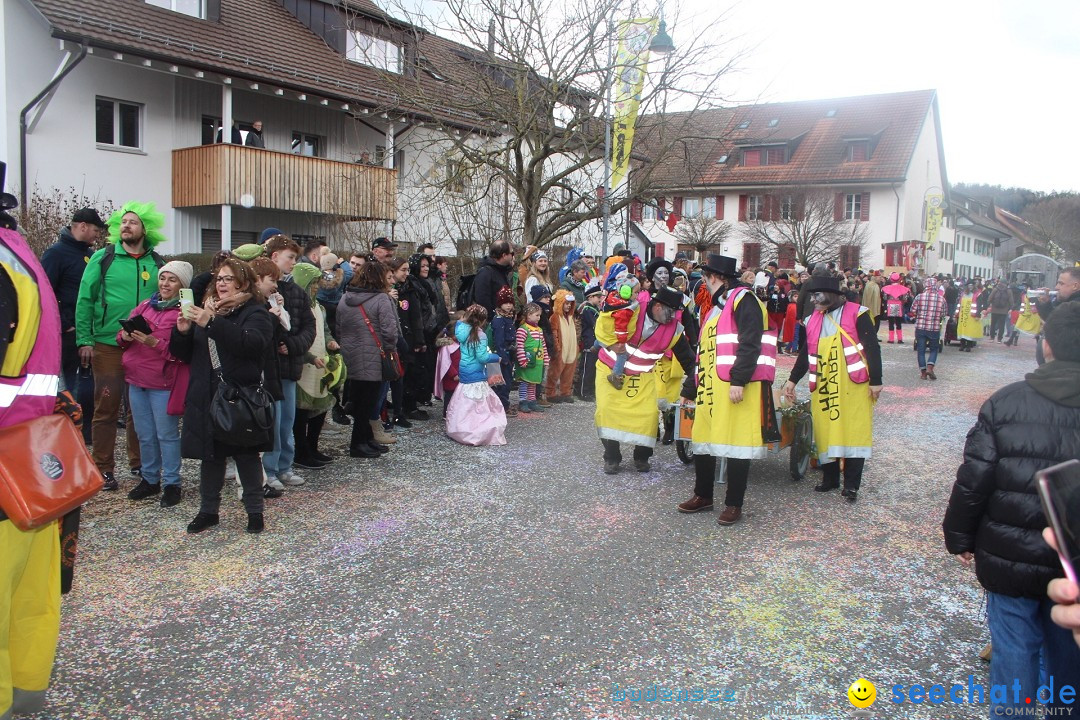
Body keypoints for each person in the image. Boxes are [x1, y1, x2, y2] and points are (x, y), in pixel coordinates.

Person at [943, 302, 1080, 717]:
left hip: (1009, 551)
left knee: (1013, 648)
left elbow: (974, 478)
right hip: (1071, 559)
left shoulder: (1005, 403)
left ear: (1048, 344)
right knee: (1068, 648)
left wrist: (959, 536)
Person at [0, 180, 66, 719]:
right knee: (29, 599)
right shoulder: (21, 258)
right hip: (30, 461)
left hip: (6, 459)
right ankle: (25, 693)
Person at [171, 258, 275, 535]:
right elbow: (186, 355)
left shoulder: (256, 312)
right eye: (219, 278)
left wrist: (212, 323)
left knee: (246, 456)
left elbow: (251, 345)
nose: (222, 283)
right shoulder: (206, 310)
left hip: (239, 397)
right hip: (206, 396)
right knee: (211, 457)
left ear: (243, 282)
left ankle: (255, 512)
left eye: (229, 279)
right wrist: (182, 333)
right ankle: (208, 511)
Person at [677, 255, 776, 525]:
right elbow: (704, 353)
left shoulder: (744, 300)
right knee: (703, 441)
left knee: (736, 444)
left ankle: (734, 504)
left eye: (706, 279)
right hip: (711, 388)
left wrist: (739, 381)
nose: (704, 285)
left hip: (734, 387)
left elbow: (751, 342)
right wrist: (690, 388)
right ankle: (703, 495)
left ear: (715, 278)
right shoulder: (716, 308)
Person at [76, 202, 168, 491]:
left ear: (145, 229)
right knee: (106, 407)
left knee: (137, 410)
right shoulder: (103, 258)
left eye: (134, 222)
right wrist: (85, 339)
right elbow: (85, 300)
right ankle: (103, 467)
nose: (126, 226)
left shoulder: (158, 263)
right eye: (123, 222)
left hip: (143, 347)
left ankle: (139, 463)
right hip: (107, 345)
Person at [782, 275, 882, 502]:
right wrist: (792, 380)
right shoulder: (812, 319)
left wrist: (876, 379)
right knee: (826, 431)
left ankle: (851, 485)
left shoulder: (858, 313)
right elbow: (806, 353)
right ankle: (830, 479)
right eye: (812, 296)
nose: (813, 300)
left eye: (817, 295)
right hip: (825, 383)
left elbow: (872, 347)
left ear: (834, 295)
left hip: (853, 384)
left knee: (853, 432)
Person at [596, 286, 694, 474]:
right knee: (606, 412)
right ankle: (612, 457)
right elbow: (602, 327)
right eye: (670, 311)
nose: (673, 316)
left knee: (649, 416)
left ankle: (641, 456)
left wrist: (693, 382)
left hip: (642, 377)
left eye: (676, 312)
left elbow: (688, 360)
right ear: (657, 306)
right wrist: (610, 343)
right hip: (609, 370)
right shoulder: (631, 309)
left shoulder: (674, 330)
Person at [118, 261, 193, 507]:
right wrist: (125, 335)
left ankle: (172, 482)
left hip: (162, 382)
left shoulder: (184, 311)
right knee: (144, 434)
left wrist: (155, 344)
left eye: (172, 280)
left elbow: (185, 352)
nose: (165, 284)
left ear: (182, 284)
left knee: (166, 435)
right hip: (136, 380)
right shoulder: (144, 306)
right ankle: (150, 479)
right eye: (163, 278)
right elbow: (120, 338)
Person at [40, 207, 106, 444]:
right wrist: (65, 323)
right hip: (66, 334)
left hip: (87, 331)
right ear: (82, 226)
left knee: (88, 383)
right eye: (96, 230)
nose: (97, 236)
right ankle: (65, 433)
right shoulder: (55, 254)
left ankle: (84, 433)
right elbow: (45, 292)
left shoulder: (90, 255)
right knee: (69, 384)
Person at [261, 234, 316, 487]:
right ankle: (268, 471)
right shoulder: (258, 291)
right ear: (274, 257)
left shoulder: (296, 292)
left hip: (289, 366)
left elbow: (308, 326)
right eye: (290, 257)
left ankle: (285, 466)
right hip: (267, 368)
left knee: (286, 421)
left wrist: (292, 345)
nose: (294, 262)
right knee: (271, 420)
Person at [338, 260, 399, 458]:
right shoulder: (381, 299)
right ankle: (359, 443)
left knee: (359, 399)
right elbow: (390, 331)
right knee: (369, 401)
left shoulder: (345, 298)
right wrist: (390, 349)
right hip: (374, 354)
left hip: (351, 354)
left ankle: (366, 439)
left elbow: (339, 326)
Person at [290, 262, 342, 470]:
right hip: (305, 364)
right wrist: (307, 356)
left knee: (320, 408)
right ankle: (300, 451)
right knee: (301, 412)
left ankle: (313, 446)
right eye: (312, 283)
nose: (316, 287)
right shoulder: (297, 308)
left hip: (321, 363)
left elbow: (325, 329)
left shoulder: (319, 307)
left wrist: (330, 341)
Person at [446, 305, 506, 446]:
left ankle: (460, 428)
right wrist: (496, 357)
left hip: (464, 371)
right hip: (476, 373)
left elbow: (461, 321)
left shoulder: (460, 329)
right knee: (479, 404)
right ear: (482, 321)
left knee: (464, 402)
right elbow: (482, 357)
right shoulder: (480, 335)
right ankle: (479, 430)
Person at [546, 289, 580, 403]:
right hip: (561, 350)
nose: (568, 306)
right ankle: (550, 393)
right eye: (566, 303)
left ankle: (565, 392)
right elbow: (554, 333)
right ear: (560, 303)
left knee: (568, 373)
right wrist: (556, 347)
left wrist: (576, 347)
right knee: (554, 372)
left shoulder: (570, 317)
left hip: (571, 349)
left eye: (570, 304)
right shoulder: (555, 317)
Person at [910, 277, 948, 380]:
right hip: (934, 328)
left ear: (925, 285)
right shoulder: (941, 299)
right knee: (934, 349)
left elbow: (912, 310)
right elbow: (944, 314)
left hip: (920, 327)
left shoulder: (919, 297)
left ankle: (923, 373)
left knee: (921, 350)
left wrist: (919, 314)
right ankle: (930, 368)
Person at [515, 303, 548, 413]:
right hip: (527, 360)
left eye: (539, 315)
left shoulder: (539, 330)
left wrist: (546, 359)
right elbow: (519, 346)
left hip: (537, 361)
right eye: (537, 315)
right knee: (524, 381)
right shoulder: (523, 330)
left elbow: (543, 346)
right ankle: (523, 401)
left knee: (533, 382)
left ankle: (532, 401)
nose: (539, 318)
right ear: (528, 315)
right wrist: (522, 359)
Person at [489, 287, 518, 415]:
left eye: (510, 303)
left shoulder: (508, 318)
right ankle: (502, 406)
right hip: (502, 355)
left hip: (509, 352)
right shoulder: (499, 319)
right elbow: (498, 340)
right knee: (502, 382)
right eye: (505, 303)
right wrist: (503, 357)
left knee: (507, 380)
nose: (508, 305)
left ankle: (503, 404)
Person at [474, 241, 515, 318]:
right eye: (512, 253)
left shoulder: (502, 271)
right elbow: (482, 300)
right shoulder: (485, 272)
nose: (513, 256)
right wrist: (493, 318)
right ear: (504, 255)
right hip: (491, 323)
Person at [576, 283, 602, 401]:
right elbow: (595, 324)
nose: (600, 299)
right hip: (589, 341)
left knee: (593, 369)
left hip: (595, 342)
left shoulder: (595, 309)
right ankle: (583, 391)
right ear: (590, 297)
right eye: (598, 296)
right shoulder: (587, 309)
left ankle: (590, 390)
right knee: (587, 369)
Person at [882, 272, 909, 344]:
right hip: (898, 306)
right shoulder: (903, 289)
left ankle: (891, 339)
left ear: (891, 279)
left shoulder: (886, 288)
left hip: (890, 306)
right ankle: (900, 339)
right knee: (898, 323)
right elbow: (905, 298)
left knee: (891, 323)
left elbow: (884, 298)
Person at [956, 283, 983, 352]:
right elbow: (959, 304)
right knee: (962, 331)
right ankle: (962, 345)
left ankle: (968, 346)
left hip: (972, 316)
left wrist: (977, 315)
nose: (970, 287)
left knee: (970, 332)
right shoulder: (963, 294)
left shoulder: (978, 294)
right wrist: (957, 314)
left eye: (971, 285)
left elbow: (979, 306)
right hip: (963, 316)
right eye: (969, 286)